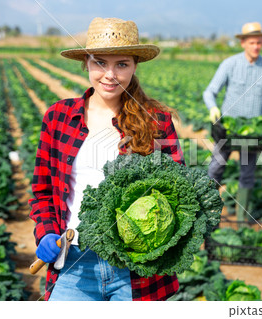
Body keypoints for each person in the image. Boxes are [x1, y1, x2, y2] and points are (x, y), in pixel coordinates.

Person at [29, 17, 184, 301]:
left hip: (137, 270)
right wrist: (46, 233)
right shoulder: (59, 117)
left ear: (135, 66)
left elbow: (180, 194)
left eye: (121, 64)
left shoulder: (156, 121)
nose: (110, 74)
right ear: (85, 63)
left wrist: (152, 241)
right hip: (74, 263)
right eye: (100, 62)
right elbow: (42, 190)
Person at [203, 21, 262, 221]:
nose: (256, 47)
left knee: (247, 173)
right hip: (228, 128)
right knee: (216, 167)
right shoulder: (230, 64)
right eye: (252, 42)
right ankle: (206, 209)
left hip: (253, 132)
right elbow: (210, 92)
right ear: (243, 43)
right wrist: (213, 107)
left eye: (259, 42)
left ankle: (242, 217)